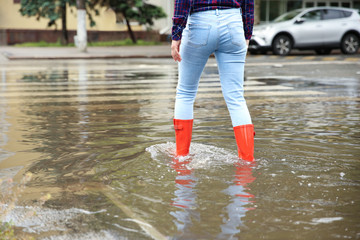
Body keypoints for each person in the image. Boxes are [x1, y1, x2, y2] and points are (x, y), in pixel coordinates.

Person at [171, 0, 255, 162]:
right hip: (233, 23)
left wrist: (176, 35)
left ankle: (181, 157)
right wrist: (247, 33)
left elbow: (182, 2)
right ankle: (247, 161)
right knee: (236, 97)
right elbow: (248, 3)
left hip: (200, 22)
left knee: (185, 93)